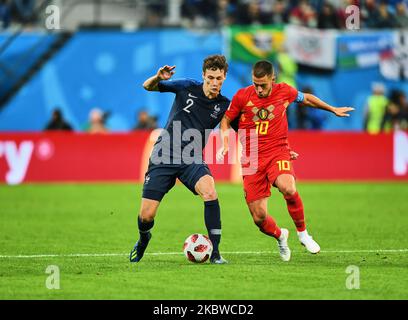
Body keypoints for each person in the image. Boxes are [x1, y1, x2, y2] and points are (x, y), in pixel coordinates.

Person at [219, 60, 353, 262]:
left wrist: (332, 108)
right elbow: (226, 120)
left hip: (277, 151)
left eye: (263, 84)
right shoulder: (242, 96)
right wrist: (225, 143)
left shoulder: (285, 91)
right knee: (259, 217)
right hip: (251, 158)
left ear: (273, 79)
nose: (259, 89)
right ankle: (281, 235)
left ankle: (303, 234)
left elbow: (306, 99)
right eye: (255, 84)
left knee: (288, 188)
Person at [129, 55, 231, 264]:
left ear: (224, 77)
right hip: (163, 155)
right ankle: (143, 238)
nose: (214, 83)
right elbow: (147, 86)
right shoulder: (186, 87)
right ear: (203, 75)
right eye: (210, 77)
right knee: (146, 216)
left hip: (191, 158)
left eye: (218, 78)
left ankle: (216, 253)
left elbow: (234, 127)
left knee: (210, 191)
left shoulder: (223, 105)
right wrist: (158, 77)